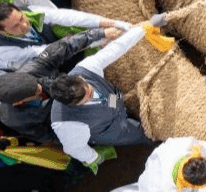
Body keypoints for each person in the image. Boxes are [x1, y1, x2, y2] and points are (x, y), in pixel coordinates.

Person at [49, 19, 162, 172]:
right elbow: (74, 149)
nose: (91, 94)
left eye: (89, 89)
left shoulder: (86, 67)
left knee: (118, 102)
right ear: (71, 104)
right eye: (86, 99)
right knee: (141, 133)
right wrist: (93, 157)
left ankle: (125, 111)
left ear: (80, 78)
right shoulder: (65, 125)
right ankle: (154, 141)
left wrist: (144, 28)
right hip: (110, 128)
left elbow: (117, 48)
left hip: (113, 101)